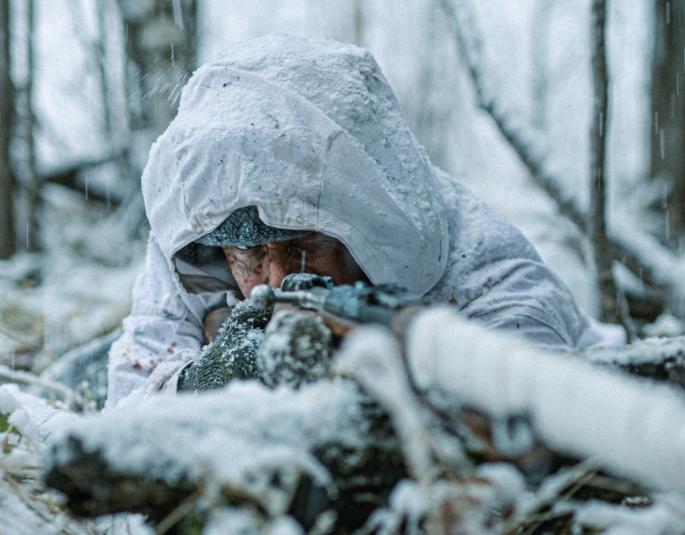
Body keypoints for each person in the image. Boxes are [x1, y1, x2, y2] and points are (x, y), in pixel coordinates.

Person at [106, 34, 595, 407]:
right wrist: (208, 381)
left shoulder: (486, 275)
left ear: (365, 225)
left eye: (305, 244)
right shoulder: (200, 239)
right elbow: (124, 415)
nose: (274, 283)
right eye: (251, 255)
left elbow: (536, 421)